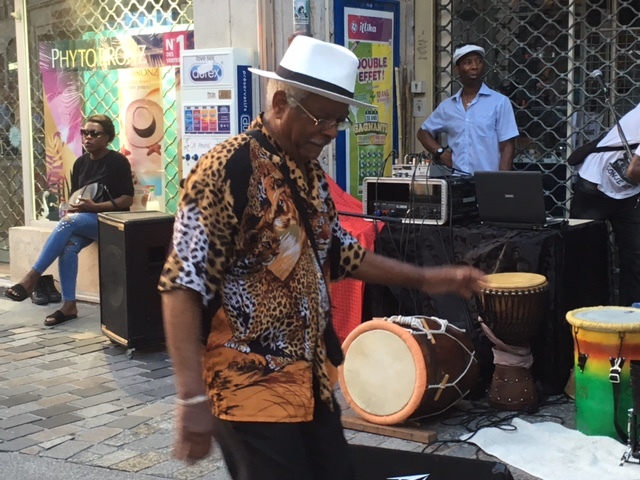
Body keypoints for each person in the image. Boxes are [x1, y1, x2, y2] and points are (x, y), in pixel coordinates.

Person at [159, 35, 485, 480]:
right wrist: (191, 398)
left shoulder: (309, 173)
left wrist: (428, 279)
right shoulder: (227, 169)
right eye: (321, 118)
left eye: (339, 120)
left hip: (312, 383)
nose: (331, 131)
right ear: (279, 103)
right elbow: (182, 284)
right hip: (249, 386)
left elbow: (337, 253)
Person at [4, 114, 134, 326]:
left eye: (94, 133)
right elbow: (76, 196)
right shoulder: (80, 163)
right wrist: (76, 207)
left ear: (108, 138)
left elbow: (127, 198)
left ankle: (32, 277)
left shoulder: (117, 161)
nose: (87, 137)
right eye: (84, 132)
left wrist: (95, 207)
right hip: (86, 220)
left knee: (68, 222)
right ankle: (69, 305)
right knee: (68, 246)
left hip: (112, 221)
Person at [571, 103, 640, 307]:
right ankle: (583, 314)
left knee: (636, 258)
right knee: (585, 253)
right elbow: (633, 171)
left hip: (629, 194)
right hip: (595, 185)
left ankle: (631, 318)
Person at [417, 43, 519, 174]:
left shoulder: (499, 102)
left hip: (488, 183)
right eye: (467, 62)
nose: (474, 67)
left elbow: (507, 147)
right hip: (457, 183)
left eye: (479, 62)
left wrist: (501, 183)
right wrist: (441, 153)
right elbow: (422, 133)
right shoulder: (447, 107)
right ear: (457, 70)